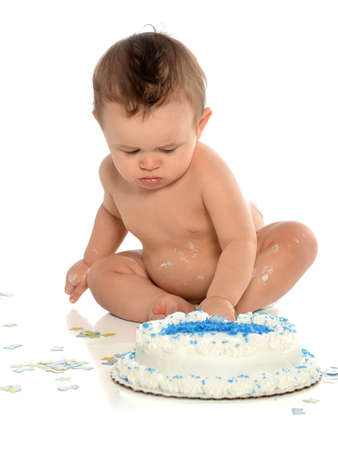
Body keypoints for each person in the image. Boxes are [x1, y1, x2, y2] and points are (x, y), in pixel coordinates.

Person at [64, 30, 318, 323]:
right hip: (159, 275)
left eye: (168, 149)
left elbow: (239, 242)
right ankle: (164, 307)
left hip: (235, 271)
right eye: (130, 150)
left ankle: (229, 309)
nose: (148, 163)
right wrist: (89, 261)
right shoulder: (111, 173)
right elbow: (111, 215)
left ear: (200, 125)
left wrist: (221, 297)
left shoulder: (207, 171)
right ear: (102, 125)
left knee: (298, 239)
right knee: (103, 276)